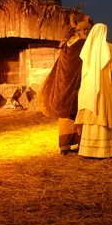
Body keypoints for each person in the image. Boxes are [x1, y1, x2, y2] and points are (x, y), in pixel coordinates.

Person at [39, 16, 92, 155]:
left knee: (66, 115)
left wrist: (74, 25)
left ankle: (64, 147)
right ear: (84, 31)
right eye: (87, 30)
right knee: (79, 115)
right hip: (76, 86)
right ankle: (81, 144)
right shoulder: (82, 45)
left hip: (63, 86)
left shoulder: (67, 43)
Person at [75, 23, 112, 159]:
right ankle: (104, 151)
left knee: (92, 114)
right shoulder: (109, 48)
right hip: (105, 87)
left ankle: (88, 150)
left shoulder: (88, 49)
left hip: (90, 88)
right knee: (105, 113)